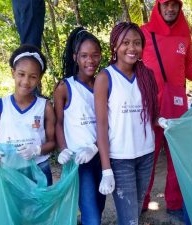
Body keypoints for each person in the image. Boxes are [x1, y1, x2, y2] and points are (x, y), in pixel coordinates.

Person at [140, 0, 192, 219]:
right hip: (150, 110)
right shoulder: (144, 32)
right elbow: (131, 65)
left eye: (175, 5)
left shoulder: (184, 35)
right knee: (147, 159)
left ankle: (174, 204)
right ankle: (141, 202)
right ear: (159, 7)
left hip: (177, 109)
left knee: (177, 159)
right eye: (166, 5)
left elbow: (189, 68)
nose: (170, 9)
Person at [94, 22, 159, 225]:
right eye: (126, 42)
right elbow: (101, 127)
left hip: (146, 154)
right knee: (129, 219)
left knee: (135, 214)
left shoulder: (147, 75)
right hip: (121, 159)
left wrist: (161, 120)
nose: (132, 48)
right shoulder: (105, 78)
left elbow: (151, 112)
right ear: (115, 45)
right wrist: (106, 170)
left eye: (137, 43)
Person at [0, 44, 56, 186]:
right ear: (13, 73)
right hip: (9, 170)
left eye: (33, 77)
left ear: (39, 78)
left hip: (39, 169)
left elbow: (52, 142)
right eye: (21, 74)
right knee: (12, 209)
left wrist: (37, 150)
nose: (26, 81)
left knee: (40, 208)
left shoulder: (45, 107)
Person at [53, 27, 106, 225]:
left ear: (100, 56)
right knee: (92, 216)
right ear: (75, 56)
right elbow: (58, 122)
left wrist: (95, 146)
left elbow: (108, 123)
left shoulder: (103, 83)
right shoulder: (65, 87)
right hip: (79, 162)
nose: (89, 61)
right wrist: (64, 149)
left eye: (94, 55)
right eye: (84, 56)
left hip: (101, 157)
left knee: (98, 208)